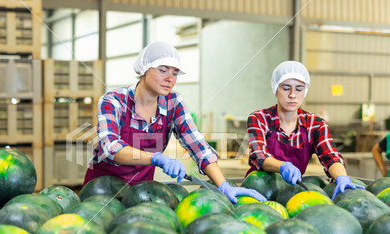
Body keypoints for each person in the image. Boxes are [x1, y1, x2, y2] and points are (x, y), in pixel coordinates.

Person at [84, 41, 265, 203]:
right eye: (163, 70)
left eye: (175, 73)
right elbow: (111, 147)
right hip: (101, 193)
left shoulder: (174, 102)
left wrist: (224, 185)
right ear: (144, 68)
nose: (170, 78)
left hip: (142, 194)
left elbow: (198, 146)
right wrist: (156, 158)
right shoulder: (114, 100)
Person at [246, 60, 364, 199]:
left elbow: (331, 157)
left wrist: (341, 177)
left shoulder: (316, 125)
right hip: (257, 192)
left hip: (292, 194)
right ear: (275, 89)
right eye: (286, 88)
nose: (292, 95)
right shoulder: (259, 118)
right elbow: (258, 155)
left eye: (299, 89)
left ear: (305, 91)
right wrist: (282, 166)